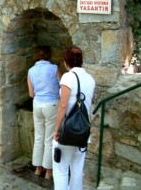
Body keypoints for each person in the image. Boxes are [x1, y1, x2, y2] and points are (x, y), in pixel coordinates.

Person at [53, 46, 96, 190]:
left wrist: (57, 129)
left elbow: (63, 106)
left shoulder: (68, 77)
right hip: (83, 131)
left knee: (61, 171)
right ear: (81, 61)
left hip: (68, 131)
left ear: (66, 62)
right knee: (77, 171)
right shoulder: (90, 79)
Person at [27, 45, 61, 180]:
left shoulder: (30, 71)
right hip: (51, 105)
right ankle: (48, 171)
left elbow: (31, 93)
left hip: (37, 105)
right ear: (49, 55)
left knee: (38, 137)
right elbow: (62, 88)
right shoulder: (55, 69)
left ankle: (37, 168)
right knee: (49, 139)